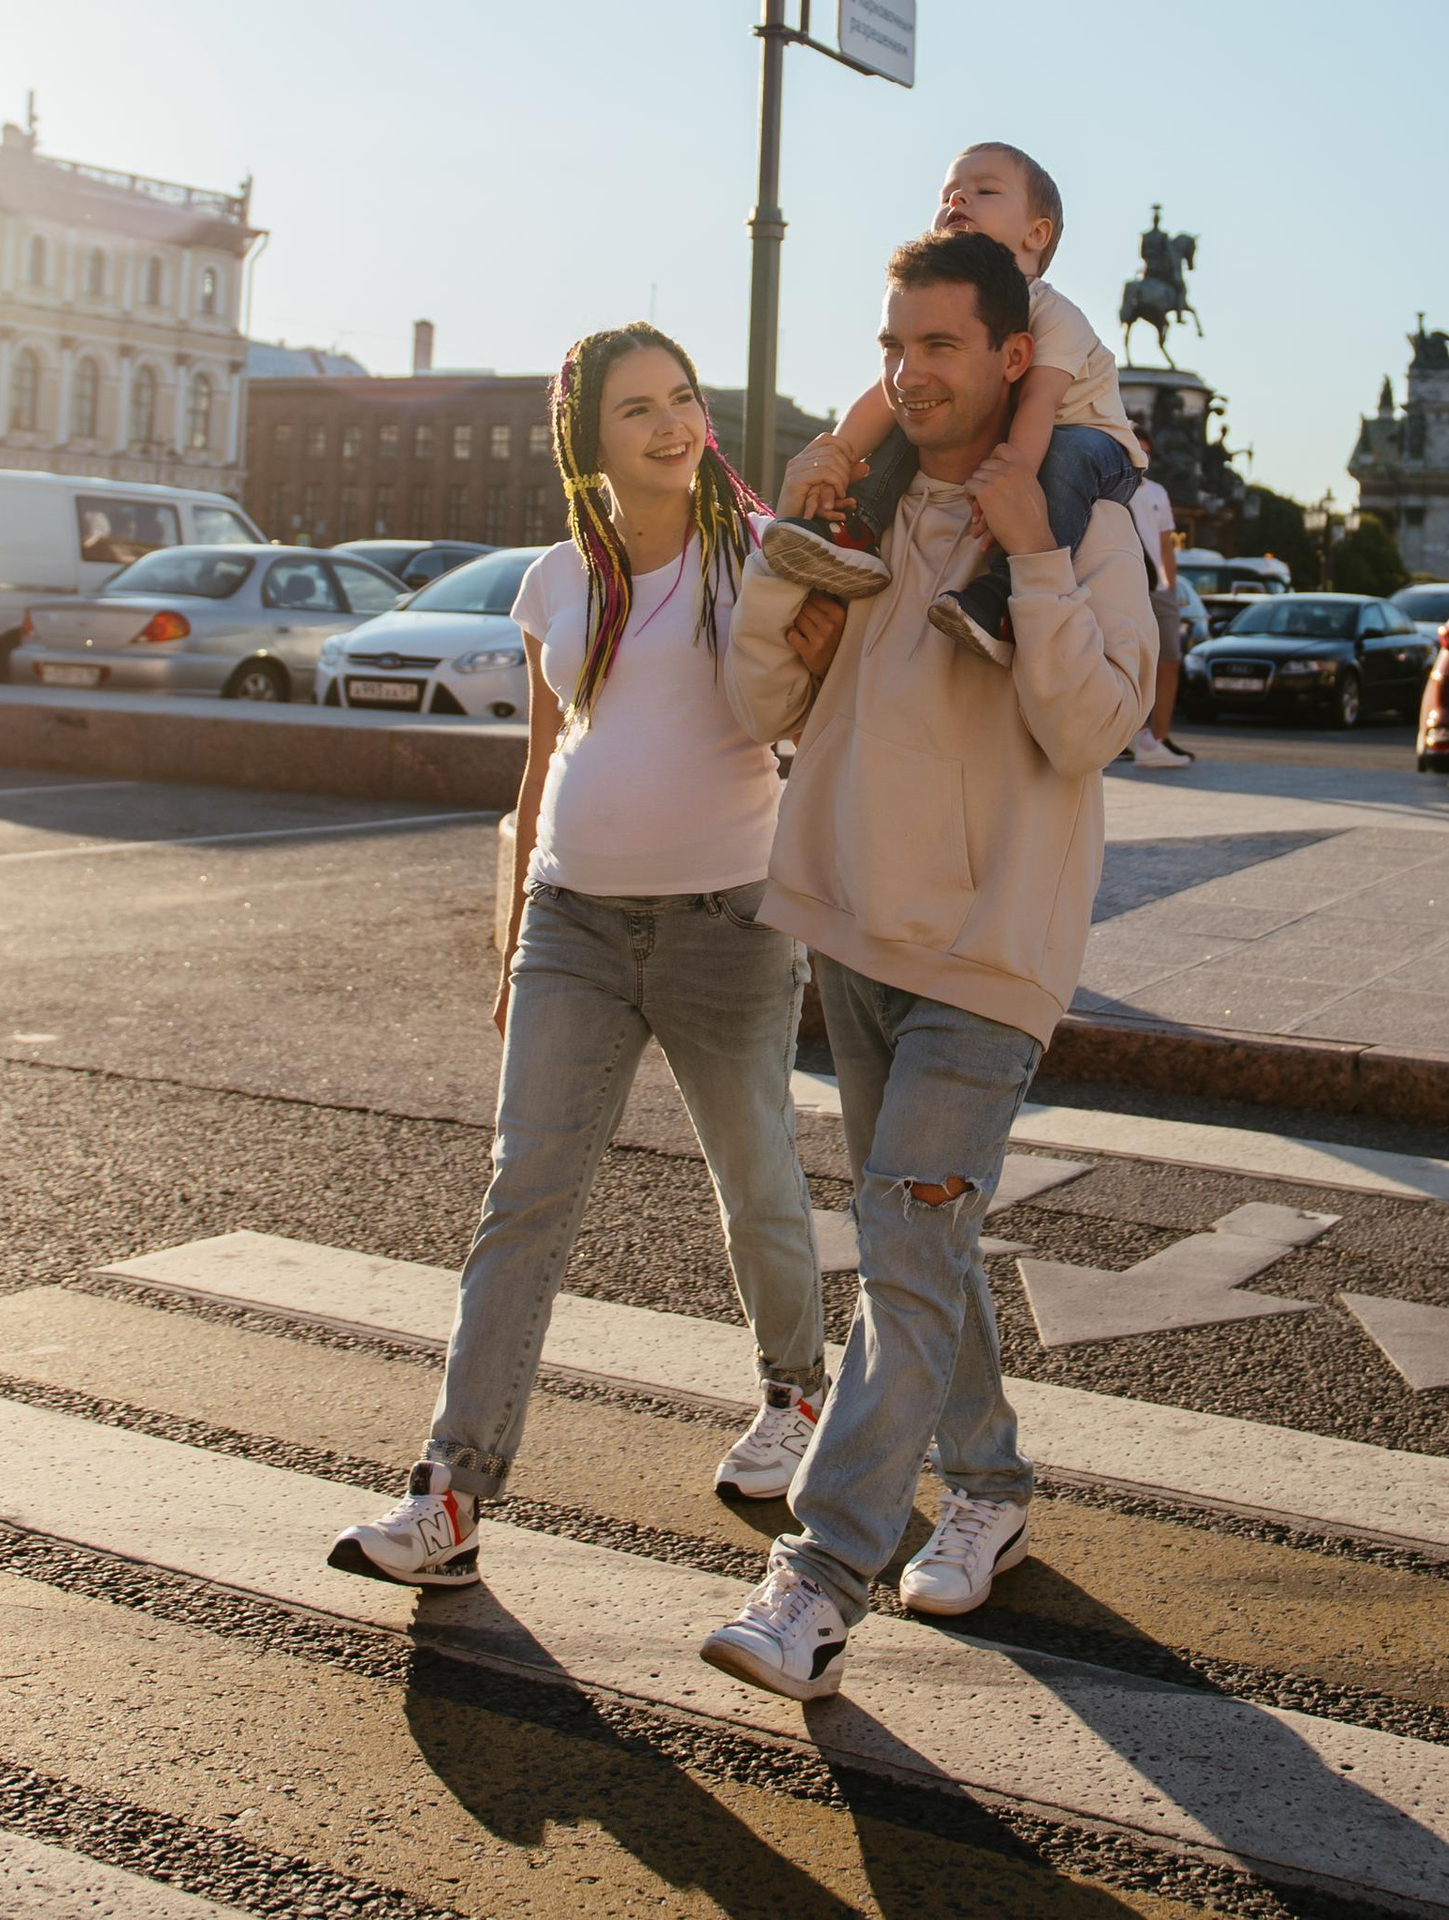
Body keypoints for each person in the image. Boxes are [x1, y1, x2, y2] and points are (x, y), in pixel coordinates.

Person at [697, 230, 1155, 1702]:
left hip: (989, 950)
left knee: (899, 1254)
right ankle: (993, 1478)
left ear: (1013, 356)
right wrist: (786, 574)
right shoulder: (872, 506)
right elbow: (764, 695)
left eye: (941, 345)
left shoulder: (1088, 511)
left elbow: (1092, 730)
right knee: (919, 1248)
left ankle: (816, 1580)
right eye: (895, 344)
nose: (910, 370)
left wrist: (1028, 544)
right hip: (854, 929)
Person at [325, 323, 827, 1591]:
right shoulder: (556, 578)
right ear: (585, 437)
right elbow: (541, 760)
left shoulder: (755, 555)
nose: (669, 425)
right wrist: (510, 945)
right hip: (574, 923)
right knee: (523, 1200)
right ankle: (450, 1493)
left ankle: (796, 1398)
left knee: (756, 1173)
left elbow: (812, 722)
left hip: (728, 922)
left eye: (682, 399)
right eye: (636, 409)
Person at [758, 142, 1145, 667]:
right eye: (948, 193)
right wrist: (838, 457)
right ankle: (856, 529)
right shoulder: (935, 309)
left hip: (1091, 443)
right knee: (912, 408)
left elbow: (1037, 405)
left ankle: (1002, 595)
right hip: (1019, 435)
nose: (959, 197)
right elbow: (886, 393)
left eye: (985, 190)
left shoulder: (1055, 315)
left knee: (1066, 454)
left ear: (1036, 234)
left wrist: (1008, 489)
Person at [1124, 467, 1194, 767]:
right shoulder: (1111, 482)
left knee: (1168, 660)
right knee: (1131, 659)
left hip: (1160, 588)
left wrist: (1172, 586)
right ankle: (1133, 735)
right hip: (1126, 582)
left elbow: (1166, 542)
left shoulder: (1157, 492)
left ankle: (1159, 739)